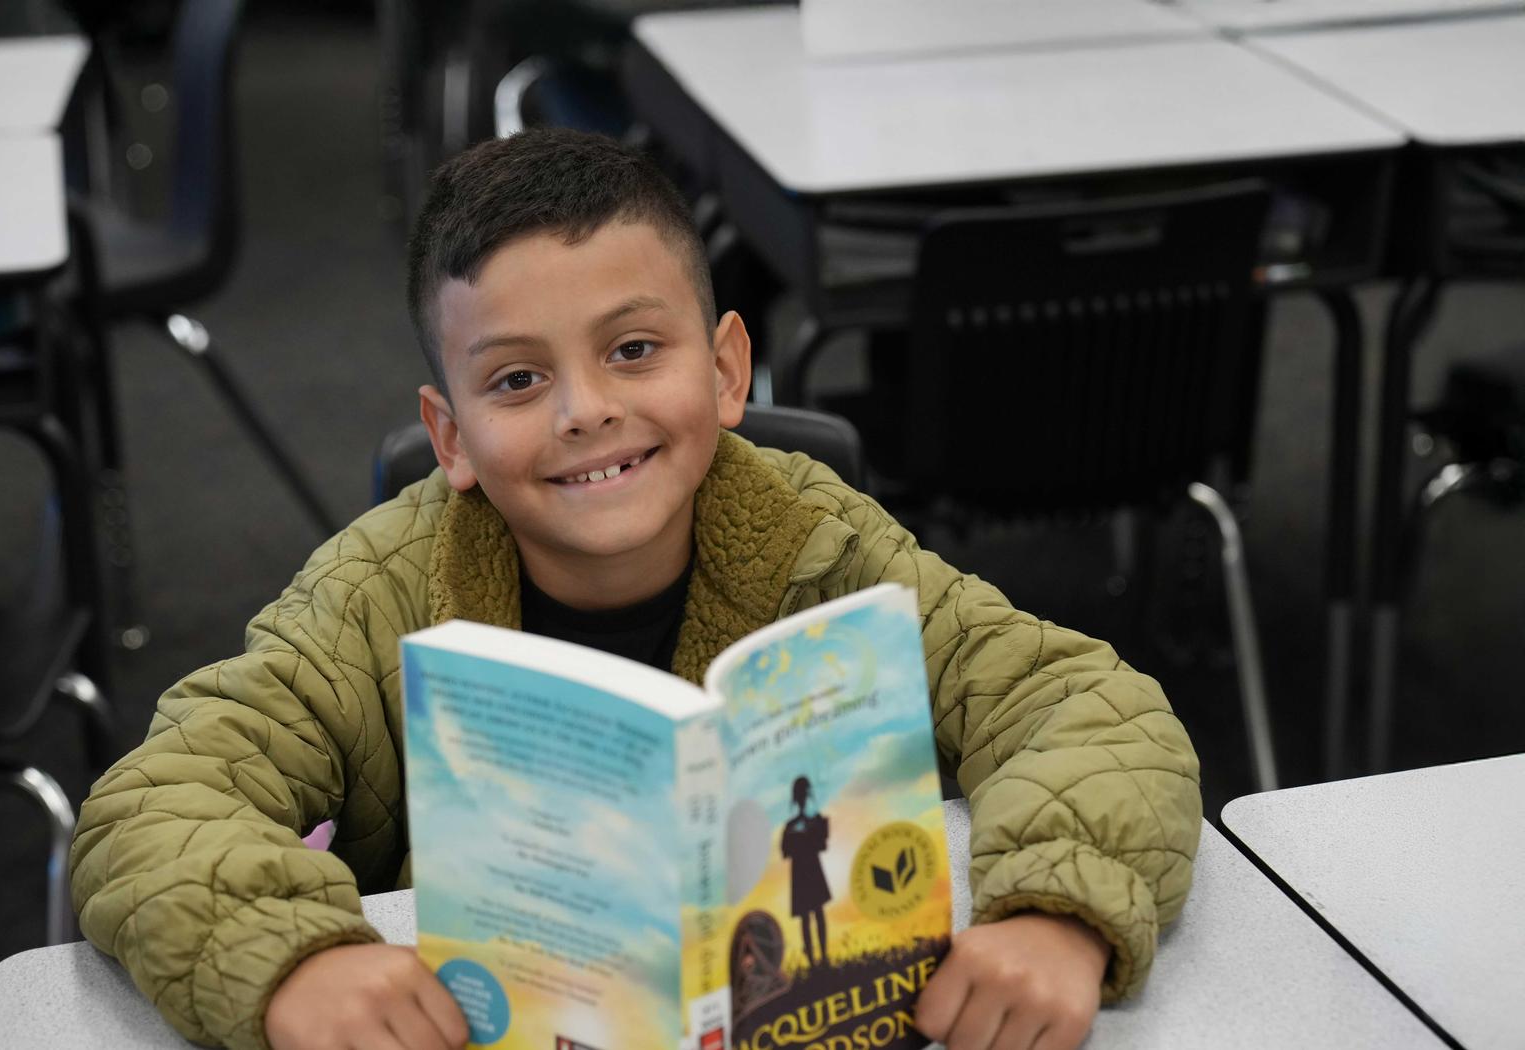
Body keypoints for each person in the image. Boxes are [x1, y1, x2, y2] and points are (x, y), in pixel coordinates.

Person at [71, 128, 1202, 1050]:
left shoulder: (822, 541)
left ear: (724, 372)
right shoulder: (376, 594)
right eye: (518, 379)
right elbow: (149, 807)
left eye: (632, 351)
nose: (584, 412)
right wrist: (296, 962)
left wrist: (1061, 914)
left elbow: (1084, 707)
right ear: (450, 436)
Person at [779, 776, 830, 968]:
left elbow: (822, 845)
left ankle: (822, 958)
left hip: (809, 869)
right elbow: (785, 852)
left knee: (816, 913)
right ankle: (814, 961)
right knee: (807, 917)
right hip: (802, 872)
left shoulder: (813, 821)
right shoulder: (792, 826)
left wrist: (815, 832)